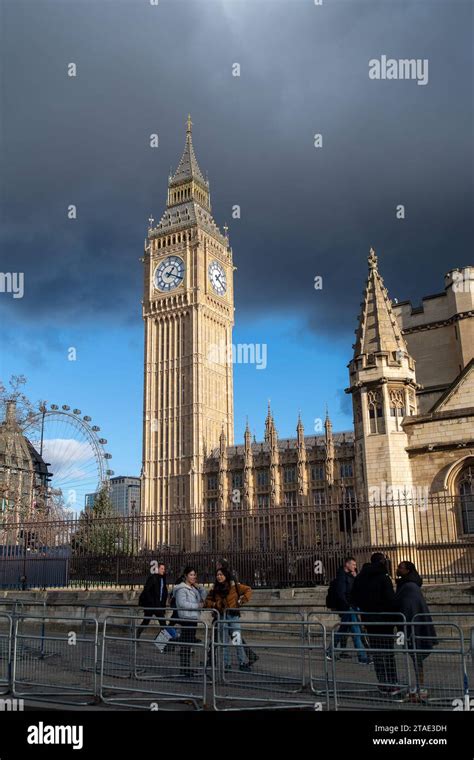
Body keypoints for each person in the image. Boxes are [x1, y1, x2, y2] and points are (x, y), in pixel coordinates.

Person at [351, 552, 401, 696]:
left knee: (377, 653)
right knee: (388, 653)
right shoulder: (383, 577)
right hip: (385, 621)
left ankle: (382, 683)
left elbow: (353, 597)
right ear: (382, 562)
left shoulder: (360, 577)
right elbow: (391, 599)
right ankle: (392, 683)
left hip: (369, 620)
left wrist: (365, 609)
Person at [395, 560, 437, 702]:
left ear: (407, 570)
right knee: (414, 657)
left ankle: (420, 685)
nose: (397, 569)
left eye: (400, 567)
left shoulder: (409, 586)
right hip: (414, 626)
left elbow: (407, 606)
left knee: (416, 657)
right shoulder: (409, 584)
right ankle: (419, 685)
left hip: (414, 627)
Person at [205, 567, 253, 671]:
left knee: (237, 640)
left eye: (221, 575)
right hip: (221, 616)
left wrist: (241, 601)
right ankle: (226, 664)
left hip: (233, 616)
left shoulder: (234, 587)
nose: (219, 577)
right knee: (224, 642)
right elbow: (207, 602)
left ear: (226, 576)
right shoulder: (214, 589)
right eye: (217, 575)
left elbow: (248, 590)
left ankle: (242, 662)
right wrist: (215, 604)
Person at [326, 557, 370, 664]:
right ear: (347, 564)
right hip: (349, 607)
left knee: (342, 630)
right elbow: (341, 593)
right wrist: (348, 606)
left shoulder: (350, 576)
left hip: (351, 606)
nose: (355, 566)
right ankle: (362, 657)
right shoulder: (342, 577)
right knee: (356, 631)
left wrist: (356, 578)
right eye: (353, 564)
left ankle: (329, 651)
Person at [174, 566, 207, 678]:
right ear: (186, 576)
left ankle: (186, 667)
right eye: (191, 575)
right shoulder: (182, 589)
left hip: (193, 618)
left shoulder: (193, 588)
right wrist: (197, 606)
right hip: (186, 618)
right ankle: (184, 668)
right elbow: (182, 603)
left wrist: (200, 587)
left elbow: (203, 596)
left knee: (188, 645)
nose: (194, 577)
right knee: (185, 645)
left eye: (194, 575)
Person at [137, 561, 168, 640]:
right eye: (161, 569)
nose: (163, 570)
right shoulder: (153, 578)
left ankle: (161, 642)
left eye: (164, 569)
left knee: (163, 624)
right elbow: (146, 590)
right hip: (152, 606)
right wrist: (152, 602)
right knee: (146, 621)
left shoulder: (163, 579)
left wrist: (162, 605)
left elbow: (163, 593)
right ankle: (136, 635)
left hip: (159, 606)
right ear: (157, 569)